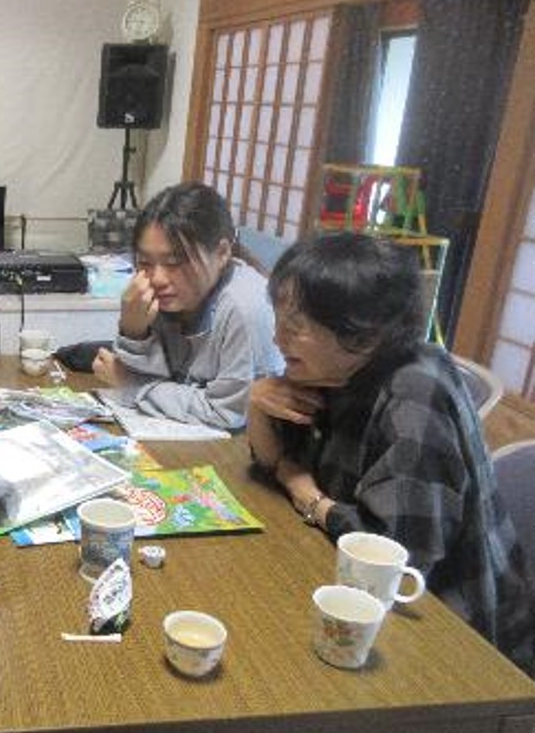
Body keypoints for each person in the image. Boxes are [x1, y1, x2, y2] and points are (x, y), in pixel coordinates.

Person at [247, 231, 533, 673]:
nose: (278, 337)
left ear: (363, 334)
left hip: (463, 641)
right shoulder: (334, 369)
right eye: (279, 319)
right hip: (354, 592)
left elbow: (392, 560)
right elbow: (274, 462)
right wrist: (256, 405)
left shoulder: (415, 393)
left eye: (296, 325)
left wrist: (306, 494)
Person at [92, 181, 283, 429]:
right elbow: (156, 381)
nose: (157, 278)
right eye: (145, 262)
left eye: (175, 262)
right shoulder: (158, 294)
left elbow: (228, 413)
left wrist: (132, 384)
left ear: (222, 252)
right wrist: (133, 330)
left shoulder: (246, 307)